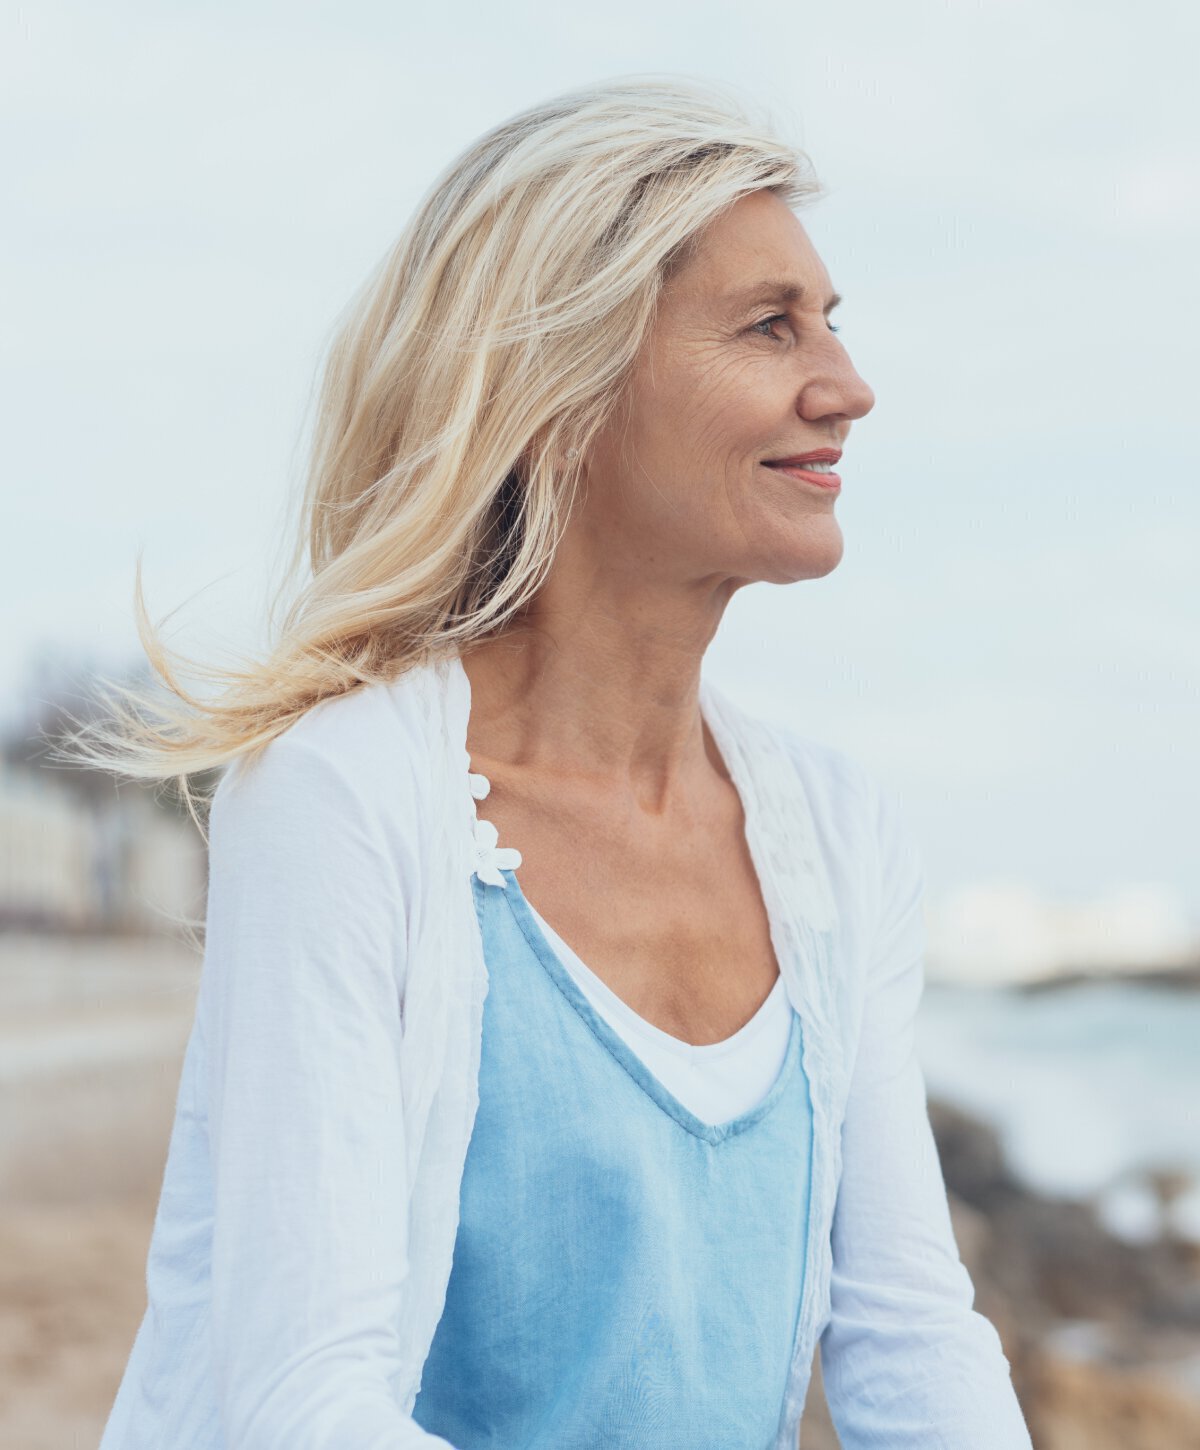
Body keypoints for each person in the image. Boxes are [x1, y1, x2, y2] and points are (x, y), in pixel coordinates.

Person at [68, 74, 1035, 1449]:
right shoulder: (341, 798)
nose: (847, 384)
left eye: (831, 322)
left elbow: (910, 1332)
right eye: (770, 326)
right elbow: (304, 1402)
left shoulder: (835, 829)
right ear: (564, 390)